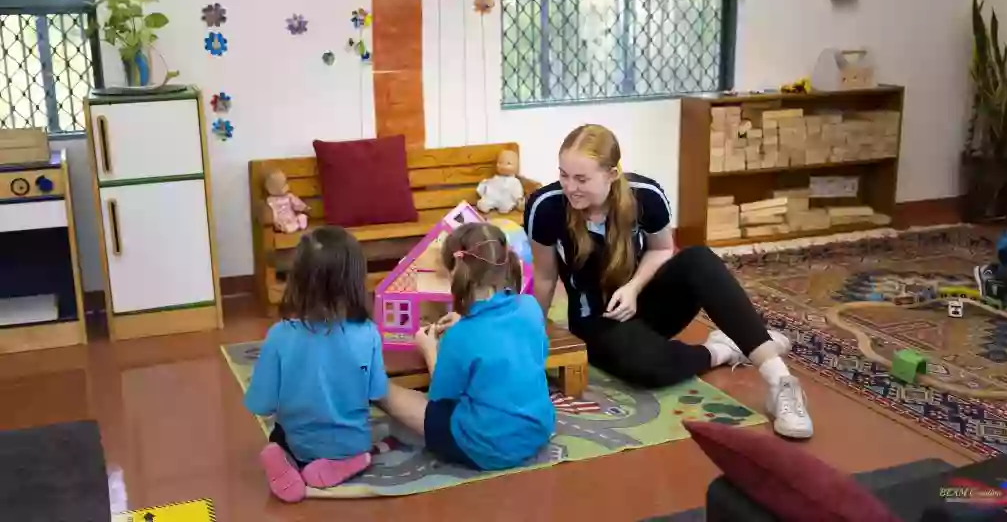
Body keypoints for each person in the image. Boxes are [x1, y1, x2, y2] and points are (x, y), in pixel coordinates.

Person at [524, 124, 814, 439]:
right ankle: (723, 350)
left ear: (611, 174)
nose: (570, 187)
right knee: (647, 368)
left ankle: (780, 383)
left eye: (582, 179)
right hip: (596, 321)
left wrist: (633, 288)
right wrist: (527, 335)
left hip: (647, 304)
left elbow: (662, 250)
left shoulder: (646, 195)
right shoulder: (546, 206)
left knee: (699, 260)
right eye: (564, 175)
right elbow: (545, 275)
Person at [380, 222, 555, 469]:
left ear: (455, 273)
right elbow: (527, 352)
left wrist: (428, 348)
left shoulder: (461, 336)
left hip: (487, 446)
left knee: (383, 391)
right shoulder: (530, 305)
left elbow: (441, 399)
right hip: (537, 430)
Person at [244, 227, 387, 503]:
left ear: (297, 280)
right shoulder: (369, 333)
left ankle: (287, 461)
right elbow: (377, 392)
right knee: (367, 441)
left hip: (299, 444)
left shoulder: (279, 336)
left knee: (278, 439)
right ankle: (348, 462)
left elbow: (261, 404)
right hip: (351, 442)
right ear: (356, 281)